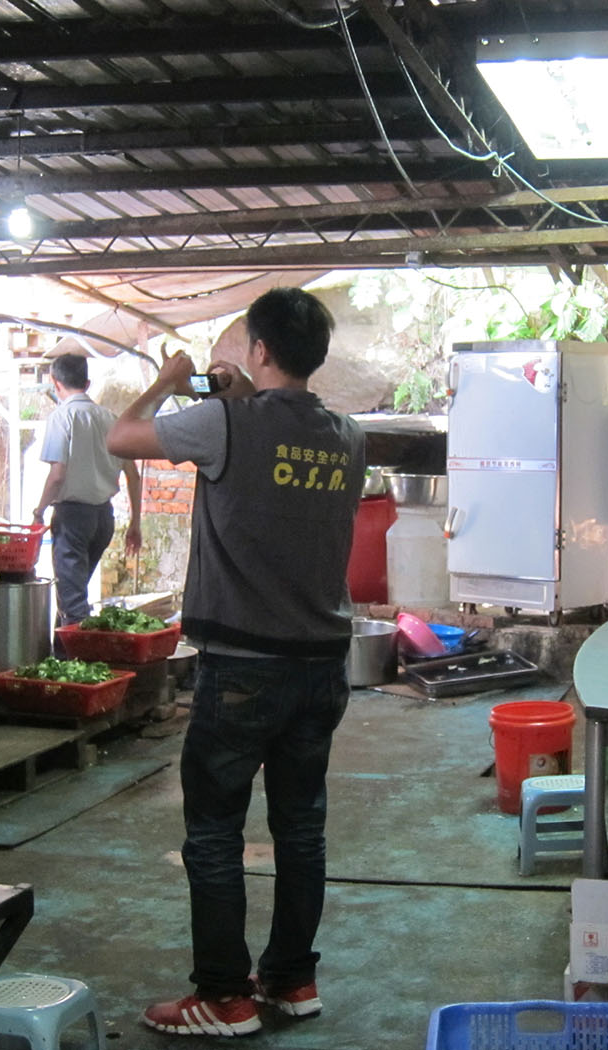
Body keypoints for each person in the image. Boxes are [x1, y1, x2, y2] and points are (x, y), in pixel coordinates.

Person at [108, 287, 364, 1038]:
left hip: (244, 665)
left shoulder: (224, 423)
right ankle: (292, 979)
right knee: (301, 829)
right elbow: (283, 453)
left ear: (259, 349)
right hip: (322, 665)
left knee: (216, 830)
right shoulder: (348, 437)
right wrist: (239, 393)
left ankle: (224, 996)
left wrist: (170, 378)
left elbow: (122, 437)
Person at [32, 353, 142, 626]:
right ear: (87, 383)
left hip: (73, 519)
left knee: (73, 604)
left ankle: (80, 652)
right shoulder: (111, 419)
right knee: (73, 595)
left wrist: (39, 511)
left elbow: (57, 475)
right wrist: (135, 523)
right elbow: (133, 475)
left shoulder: (62, 417)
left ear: (55, 383)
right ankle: (61, 648)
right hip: (103, 519)